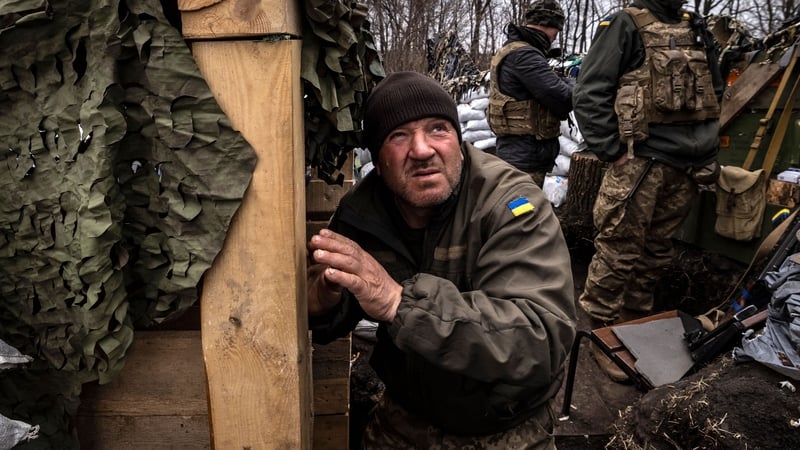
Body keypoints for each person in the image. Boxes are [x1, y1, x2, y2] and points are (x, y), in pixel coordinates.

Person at [307, 71, 576, 448]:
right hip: (410, 411)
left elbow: (539, 339)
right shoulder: (363, 213)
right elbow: (332, 307)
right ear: (378, 161)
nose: (421, 150)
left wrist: (398, 302)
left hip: (505, 423)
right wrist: (323, 303)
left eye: (438, 129)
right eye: (398, 136)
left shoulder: (511, 204)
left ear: (458, 140)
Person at [572, 0, 723, 381]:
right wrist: (612, 150)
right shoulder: (625, 23)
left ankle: (635, 323)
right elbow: (589, 91)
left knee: (657, 250)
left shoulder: (696, 26)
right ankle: (602, 334)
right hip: (640, 163)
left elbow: (714, 90)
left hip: (685, 165)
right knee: (619, 249)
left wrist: (704, 149)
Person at [488, 0, 574, 188]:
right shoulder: (525, 55)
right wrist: (578, 85)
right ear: (546, 25)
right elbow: (562, 97)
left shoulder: (515, 49)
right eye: (556, 31)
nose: (555, 37)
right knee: (522, 210)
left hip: (521, 150)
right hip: (525, 154)